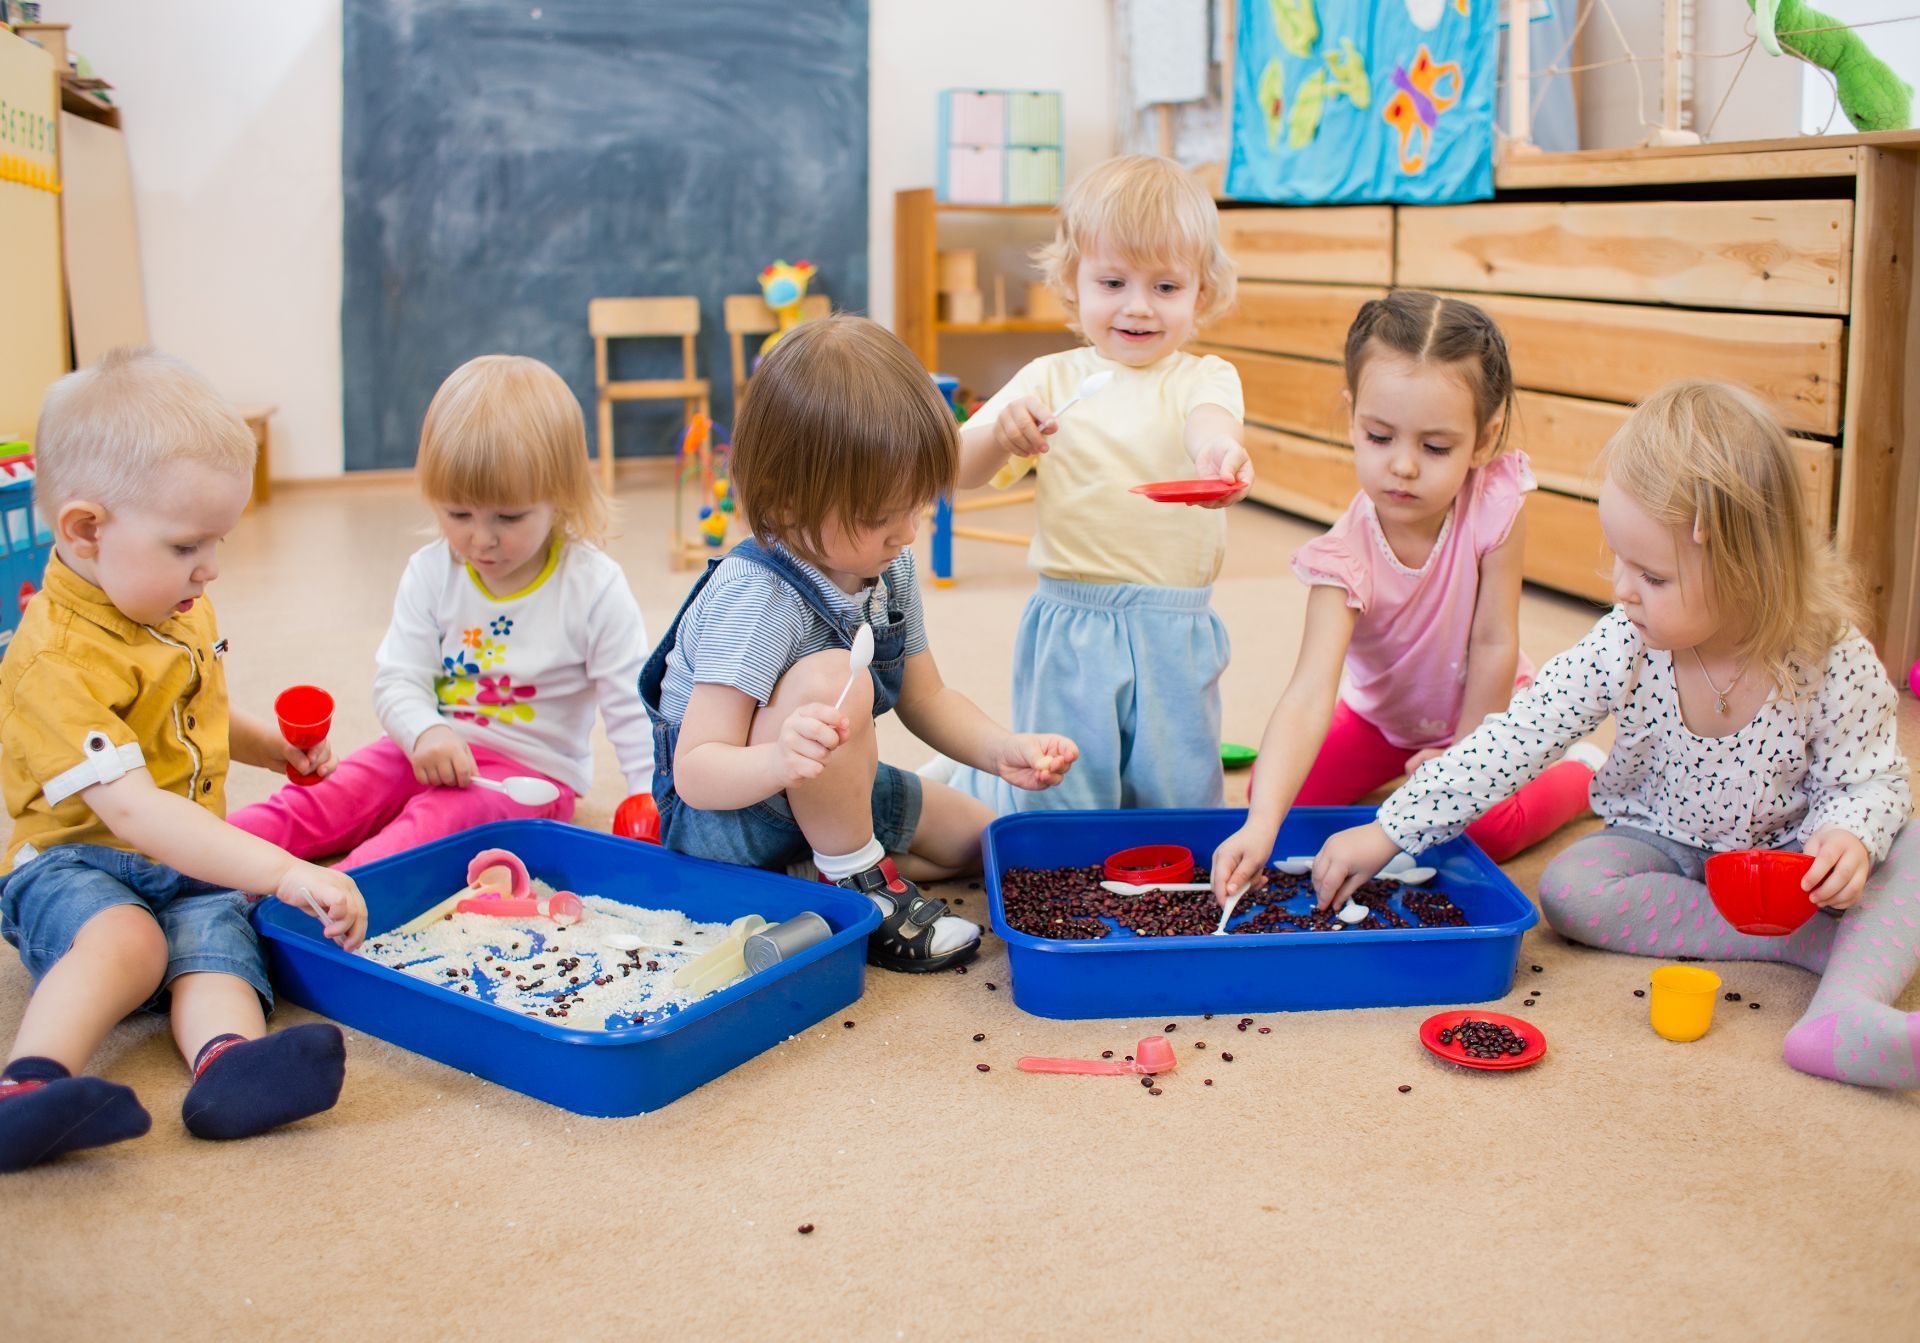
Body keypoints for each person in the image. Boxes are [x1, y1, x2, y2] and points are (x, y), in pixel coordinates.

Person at [1315, 382, 1918, 1089]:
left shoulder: (1829, 657)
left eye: (1652, 575)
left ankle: (1844, 1008)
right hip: (1660, 843)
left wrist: (1849, 836)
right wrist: (1391, 829)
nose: (1623, 589)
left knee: (1908, 846)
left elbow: (1873, 778)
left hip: (1789, 861)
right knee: (1569, 890)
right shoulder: (1624, 642)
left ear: (1749, 568)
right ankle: (1811, 943)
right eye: (1620, 561)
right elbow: (1516, 737)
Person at [0, 349, 367, 1173]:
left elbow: (184, 710)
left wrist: (269, 748)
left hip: (182, 850)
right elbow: (129, 808)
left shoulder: (171, 596)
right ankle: (28, 1084)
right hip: (75, 860)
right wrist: (280, 869)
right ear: (87, 530)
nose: (210, 567)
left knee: (214, 941)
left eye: (219, 541)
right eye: (186, 544)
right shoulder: (52, 661)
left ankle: (228, 1061)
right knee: (132, 942)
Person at [639, 315, 1078, 973]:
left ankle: (821, 865)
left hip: (823, 788)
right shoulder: (755, 597)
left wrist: (1001, 749)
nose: (906, 533)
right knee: (826, 676)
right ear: (787, 503)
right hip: (732, 812)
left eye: (920, 504)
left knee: (976, 840)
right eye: (880, 516)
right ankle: (858, 888)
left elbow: (926, 696)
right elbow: (698, 771)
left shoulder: (887, 565)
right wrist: (780, 760)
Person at [1210, 291, 1599, 902]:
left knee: (1480, 829)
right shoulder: (1341, 558)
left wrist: (1464, 761)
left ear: (1484, 438)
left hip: (1487, 708)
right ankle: (1405, 775)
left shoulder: (1496, 504)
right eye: (1380, 436)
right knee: (1273, 794)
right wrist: (1260, 824)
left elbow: (1495, 640)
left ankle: (1580, 776)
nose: (1404, 467)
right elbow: (1310, 691)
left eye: (1435, 447)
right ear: (1352, 417)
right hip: (1381, 721)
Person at [229, 355, 653, 866]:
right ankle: (191, 856)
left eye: (509, 516)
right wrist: (424, 730)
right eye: (458, 514)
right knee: (331, 795)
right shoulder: (432, 571)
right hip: (422, 746)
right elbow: (398, 679)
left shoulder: (593, 586)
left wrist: (645, 791)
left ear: (561, 497)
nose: (481, 538)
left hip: (529, 778)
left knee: (424, 831)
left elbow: (632, 704)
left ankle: (328, 898)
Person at [944, 154, 1250, 813]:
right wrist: (1000, 433)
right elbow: (957, 470)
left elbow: (1211, 425)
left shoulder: (1204, 377)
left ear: (1202, 291)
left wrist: (1219, 451)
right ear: (1074, 282)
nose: (1138, 307)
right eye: (1113, 281)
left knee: (1181, 796)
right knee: (1065, 793)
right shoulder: (1048, 379)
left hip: (1177, 625)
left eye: (1166, 287)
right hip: (1074, 623)